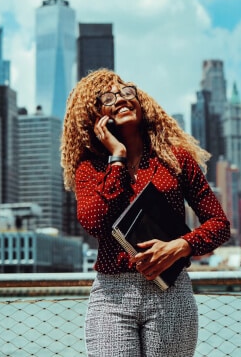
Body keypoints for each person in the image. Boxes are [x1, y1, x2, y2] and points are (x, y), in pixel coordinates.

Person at [60, 68, 230, 357]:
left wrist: (180, 246)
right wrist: (117, 157)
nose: (123, 99)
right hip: (112, 297)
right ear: (94, 114)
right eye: (110, 97)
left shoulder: (176, 159)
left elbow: (219, 224)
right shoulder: (90, 169)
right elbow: (95, 222)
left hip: (170, 293)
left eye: (128, 92)